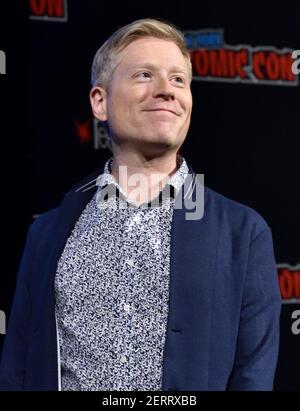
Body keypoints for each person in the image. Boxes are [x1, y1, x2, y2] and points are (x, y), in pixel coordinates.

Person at [0, 18, 281, 391]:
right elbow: (18, 370)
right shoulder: (47, 233)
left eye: (179, 79)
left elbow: (254, 375)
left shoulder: (242, 233)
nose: (167, 91)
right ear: (100, 102)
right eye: (145, 75)